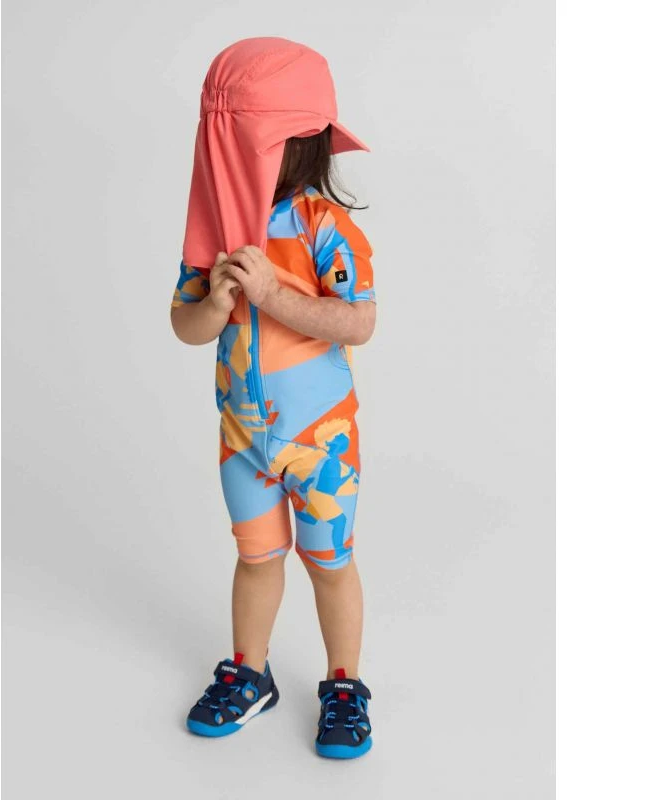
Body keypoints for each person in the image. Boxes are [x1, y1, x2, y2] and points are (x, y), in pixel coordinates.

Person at [170, 36, 377, 759]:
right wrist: (217, 301)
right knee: (256, 558)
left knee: (329, 561)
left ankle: (345, 684)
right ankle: (249, 673)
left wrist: (271, 295)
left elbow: (358, 323)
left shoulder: (323, 226)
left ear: (296, 145)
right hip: (243, 439)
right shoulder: (216, 233)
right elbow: (185, 326)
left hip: (321, 442)